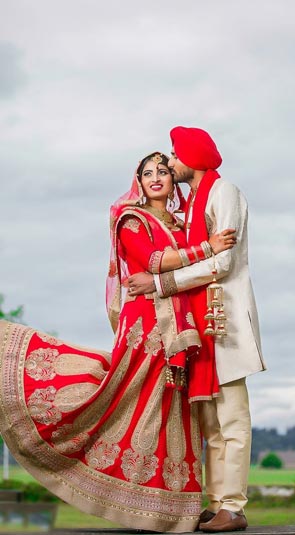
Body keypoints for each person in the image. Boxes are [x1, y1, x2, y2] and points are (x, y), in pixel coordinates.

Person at [0, 151, 236, 532]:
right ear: (138, 182)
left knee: (175, 410)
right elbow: (154, 260)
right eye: (148, 173)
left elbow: (189, 269)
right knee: (133, 399)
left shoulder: (182, 222)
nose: (156, 177)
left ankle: (172, 509)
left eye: (163, 171)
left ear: (173, 180)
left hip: (182, 327)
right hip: (147, 325)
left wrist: (203, 248)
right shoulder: (131, 219)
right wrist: (209, 247)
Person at [127, 126, 265, 533]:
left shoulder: (225, 192)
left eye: (174, 155)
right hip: (202, 320)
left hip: (225, 319)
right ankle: (219, 503)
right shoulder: (192, 207)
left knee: (233, 416)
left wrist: (160, 284)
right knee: (212, 422)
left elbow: (222, 263)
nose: (169, 163)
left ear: (193, 157)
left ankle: (235, 507)